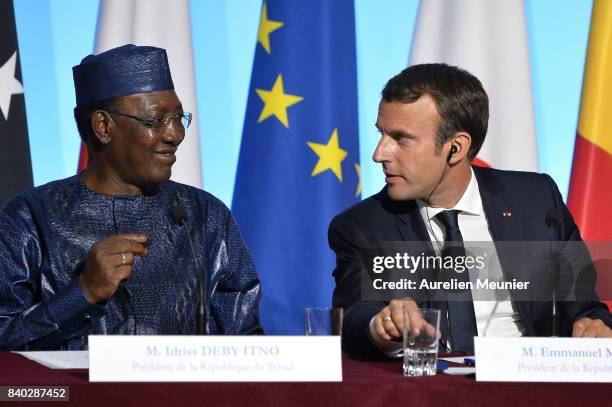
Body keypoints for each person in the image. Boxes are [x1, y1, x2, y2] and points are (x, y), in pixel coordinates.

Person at [329, 63, 612, 358]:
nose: (379, 154)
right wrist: (381, 326)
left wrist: (594, 325)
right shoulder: (362, 225)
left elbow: (586, 308)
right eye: (382, 134)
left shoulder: (537, 200)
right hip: (428, 392)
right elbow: (354, 316)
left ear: (456, 147)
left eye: (400, 138)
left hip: (528, 384)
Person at [0, 44, 262, 351]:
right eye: (156, 120)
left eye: (179, 118)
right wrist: (82, 293)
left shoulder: (205, 215)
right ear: (103, 126)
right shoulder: (30, 218)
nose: (175, 134)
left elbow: (248, 346)